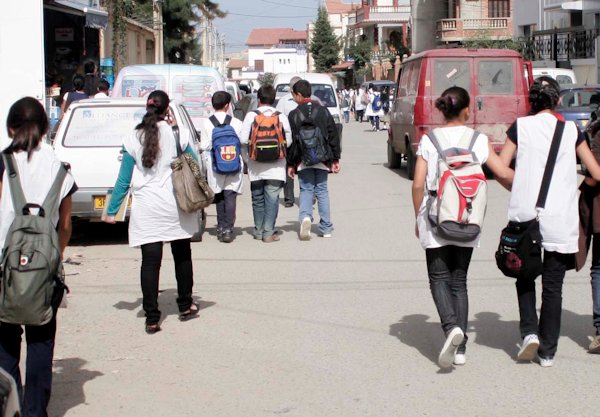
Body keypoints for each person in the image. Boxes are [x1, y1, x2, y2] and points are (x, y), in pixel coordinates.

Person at [498, 76, 600, 366]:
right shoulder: (570, 131)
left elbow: (503, 169)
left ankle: (529, 332)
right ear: (557, 100)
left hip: (525, 215)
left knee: (525, 275)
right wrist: (574, 185)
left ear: (531, 101)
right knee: (554, 286)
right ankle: (548, 352)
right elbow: (595, 172)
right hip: (559, 216)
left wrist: (519, 187)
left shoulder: (520, 127)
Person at [412, 86, 513, 369]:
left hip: (436, 218)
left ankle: (451, 329)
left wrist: (417, 217)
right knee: (459, 280)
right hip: (469, 218)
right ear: (468, 109)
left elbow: (418, 184)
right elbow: (503, 173)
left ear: (442, 109)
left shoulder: (429, 140)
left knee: (438, 278)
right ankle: (460, 349)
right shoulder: (478, 140)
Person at [0, 97, 77, 416]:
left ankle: (9, 404)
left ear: (10, 128)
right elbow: (67, 225)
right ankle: (34, 410)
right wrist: (53, 258)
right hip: (45, 271)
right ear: (47, 129)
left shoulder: (3, 164)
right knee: (41, 340)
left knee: (5, 342)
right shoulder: (60, 168)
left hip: (4, 269)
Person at [102, 90, 200, 334]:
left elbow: (124, 180)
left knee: (150, 262)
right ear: (167, 110)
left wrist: (111, 210)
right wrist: (177, 132)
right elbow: (195, 164)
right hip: (176, 204)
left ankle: (152, 318)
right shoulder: (178, 133)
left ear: (146, 109)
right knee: (182, 255)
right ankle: (185, 305)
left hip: (147, 207)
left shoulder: (133, 137)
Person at [287, 80, 341, 240]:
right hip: (323, 158)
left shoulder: (294, 114)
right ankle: (325, 228)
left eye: (293, 95)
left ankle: (305, 217)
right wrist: (335, 159)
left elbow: (291, 142)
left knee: (306, 189)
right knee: (322, 190)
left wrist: (291, 164)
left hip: (303, 159)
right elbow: (333, 136)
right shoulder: (323, 111)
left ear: (298, 95)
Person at [241, 85, 292, 242]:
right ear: (273, 98)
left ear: (259, 98)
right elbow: (288, 141)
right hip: (276, 166)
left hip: (255, 165)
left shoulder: (251, 116)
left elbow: (243, 140)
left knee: (257, 198)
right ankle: (268, 232)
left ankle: (258, 230)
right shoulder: (281, 116)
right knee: (272, 199)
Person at [199, 91, 244, 243]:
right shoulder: (236, 123)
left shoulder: (206, 123)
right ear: (227, 105)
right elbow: (243, 141)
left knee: (219, 196)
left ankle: (220, 227)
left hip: (215, 164)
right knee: (230, 195)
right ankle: (228, 229)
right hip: (234, 163)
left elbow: (204, 145)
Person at [276, 76, 302, 208]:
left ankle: (306, 195)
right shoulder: (284, 101)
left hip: (304, 139)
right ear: (292, 89)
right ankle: (289, 198)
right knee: (289, 168)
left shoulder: (309, 100)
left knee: (304, 168)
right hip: (289, 140)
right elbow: (278, 120)